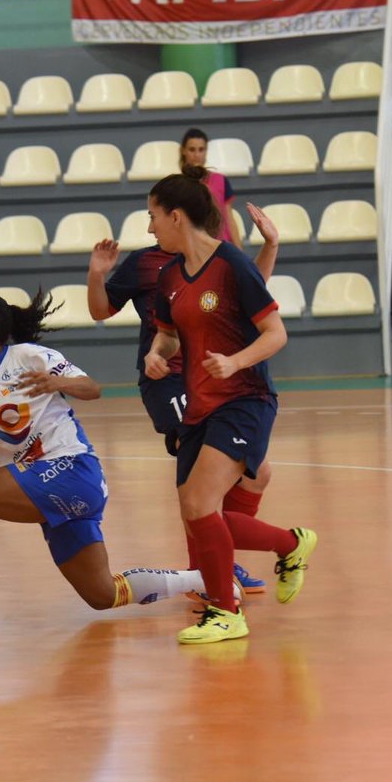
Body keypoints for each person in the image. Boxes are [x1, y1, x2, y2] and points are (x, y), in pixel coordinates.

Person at [0, 290, 210, 637]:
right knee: (102, 594)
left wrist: (57, 381)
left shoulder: (28, 357)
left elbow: (92, 388)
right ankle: (207, 578)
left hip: (71, 468)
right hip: (48, 486)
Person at [143, 167, 317, 645]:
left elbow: (276, 334)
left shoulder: (233, 264)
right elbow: (167, 336)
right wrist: (156, 357)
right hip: (199, 405)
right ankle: (292, 544)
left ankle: (225, 612)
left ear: (176, 216)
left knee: (201, 505)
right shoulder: (170, 276)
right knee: (197, 514)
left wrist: (235, 361)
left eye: (153, 216)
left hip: (244, 399)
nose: (149, 227)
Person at [86, 202, 280, 596]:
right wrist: (96, 274)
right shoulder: (147, 264)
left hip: (211, 375)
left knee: (257, 474)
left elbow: (248, 296)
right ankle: (206, 575)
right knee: (197, 486)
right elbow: (100, 310)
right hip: (169, 381)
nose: (151, 227)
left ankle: (218, 560)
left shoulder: (217, 257)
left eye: (153, 218)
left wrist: (270, 246)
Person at [180, 128, 242, 247]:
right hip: (193, 249)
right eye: (192, 149)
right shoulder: (177, 185)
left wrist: (239, 252)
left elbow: (229, 218)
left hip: (222, 246)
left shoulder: (221, 180)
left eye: (201, 149)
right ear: (183, 151)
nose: (197, 155)